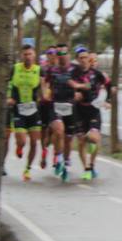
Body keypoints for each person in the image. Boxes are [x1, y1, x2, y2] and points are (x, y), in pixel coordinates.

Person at [71, 49, 110, 181]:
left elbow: (110, 85)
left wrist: (108, 100)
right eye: (81, 57)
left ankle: (92, 164)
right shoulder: (73, 74)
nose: (83, 60)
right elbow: (65, 89)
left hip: (93, 110)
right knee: (81, 141)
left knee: (94, 138)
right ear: (77, 59)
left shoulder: (97, 73)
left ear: (89, 59)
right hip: (79, 111)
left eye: (86, 57)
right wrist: (74, 95)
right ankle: (87, 168)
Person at [7, 43, 44, 180]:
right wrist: (9, 98)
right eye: (25, 54)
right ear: (21, 56)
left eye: (30, 54)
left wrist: (44, 96)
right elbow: (8, 84)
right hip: (19, 109)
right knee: (22, 140)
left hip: (34, 110)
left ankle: (27, 169)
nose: (27, 57)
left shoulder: (39, 70)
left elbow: (44, 87)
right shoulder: (15, 68)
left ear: (34, 55)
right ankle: (19, 146)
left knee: (34, 142)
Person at [43, 46, 76, 180]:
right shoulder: (51, 70)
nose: (61, 55)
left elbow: (85, 81)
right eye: (59, 53)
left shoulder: (75, 69)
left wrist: (79, 92)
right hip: (55, 106)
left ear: (68, 54)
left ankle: (64, 161)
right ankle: (60, 159)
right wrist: (45, 93)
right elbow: (45, 83)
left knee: (68, 139)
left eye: (64, 53)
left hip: (71, 107)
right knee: (59, 131)